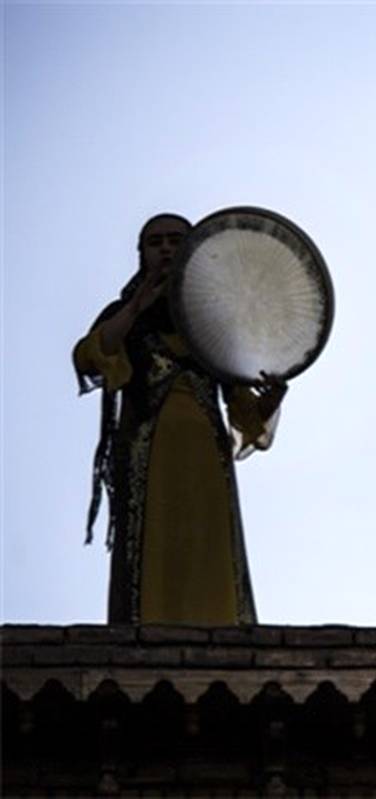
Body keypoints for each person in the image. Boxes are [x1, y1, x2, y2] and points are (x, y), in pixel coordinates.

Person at [74, 213, 286, 625]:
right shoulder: (125, 315)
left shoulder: (209, 322)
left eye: (176, 240)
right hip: (145, 455)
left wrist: (274, 396)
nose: (166, 249)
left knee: (210, 546)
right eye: (155, 243)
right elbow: (90, 358)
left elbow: (245, 416)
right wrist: (137, 306)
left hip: (206, 459)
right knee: (151, 546)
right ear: (142, 254)